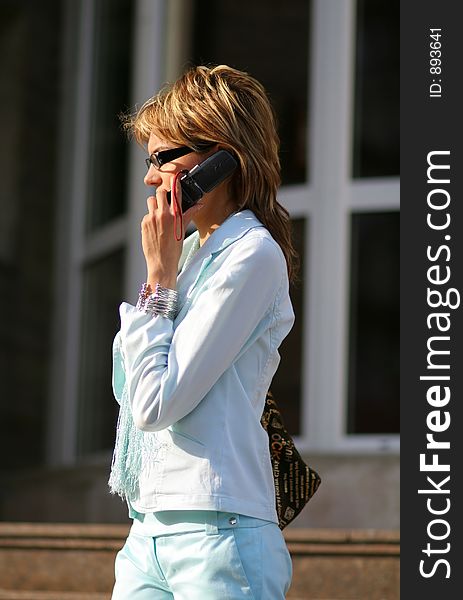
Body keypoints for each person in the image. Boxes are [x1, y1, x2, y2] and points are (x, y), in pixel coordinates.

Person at [109, 64, 297, 599]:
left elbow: (155, 401)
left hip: (219, 530)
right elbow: (129, 389)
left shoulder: (252, 255)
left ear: (218, 160)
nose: (150, 178)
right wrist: (163, 278)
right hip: (149, 525)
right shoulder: (189, 257)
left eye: (162, 158)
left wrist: (157, 280)